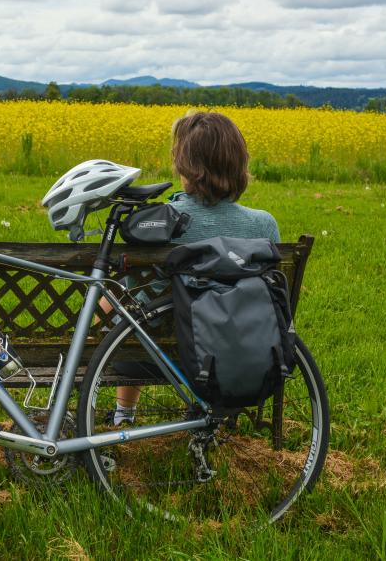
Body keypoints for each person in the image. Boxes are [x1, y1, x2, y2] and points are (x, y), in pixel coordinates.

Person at [108, 110, 280, 426]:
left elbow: (129, 297)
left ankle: (124, 414)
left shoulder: (157, 224)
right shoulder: (264, 226)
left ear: (187, 165)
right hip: (235, 353)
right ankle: (215, 413)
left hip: (147, 356)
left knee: (116, 301)